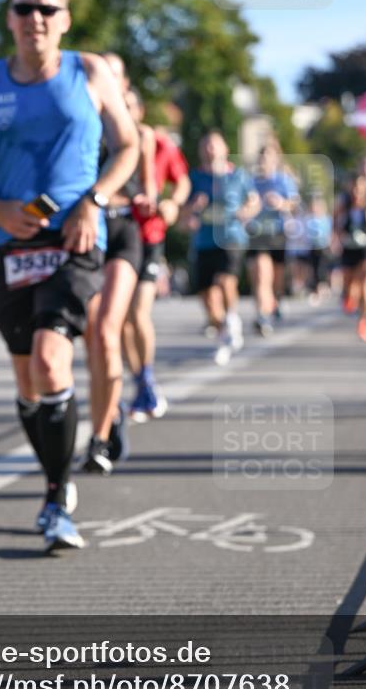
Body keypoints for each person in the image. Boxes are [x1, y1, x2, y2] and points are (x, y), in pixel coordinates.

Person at [0, 0, 138, 550]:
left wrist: (94, 201)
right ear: (9, 17)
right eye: (25, 8)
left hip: (75, 242)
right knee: (29, 382)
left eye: (47, 10)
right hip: (11, 245)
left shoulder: (91, 72)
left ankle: (56, 497)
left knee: (54, 362)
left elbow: (129, 145)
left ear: (65, 20)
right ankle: (57, 469)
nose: (36, 19)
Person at [82, 77, 153, 474]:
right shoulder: (82, 130)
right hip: (88, 234)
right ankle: (112, 408)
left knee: (109, 329)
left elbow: (151, 192)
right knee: (92, 337)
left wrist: (155, 202)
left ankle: (100, 435)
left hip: (124, 233)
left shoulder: (138, 138)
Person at [123, 112, 191, 422]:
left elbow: (182, 182)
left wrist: (173, 203)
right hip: (115, 238)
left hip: (148, 236)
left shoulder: (161, 144)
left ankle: (147, 378)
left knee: (138, 312)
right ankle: (139, 381)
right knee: (120, 321)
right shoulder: (104, 139)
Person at [182, 131, 259, 366]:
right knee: (206, 294)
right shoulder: (194, 177)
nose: (209, 149)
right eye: (205, 145)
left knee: (226, 280)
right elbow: (182, 212)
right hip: (204, 240)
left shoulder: (238, 175)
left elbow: (254, 200)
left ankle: (232, 318)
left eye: (214, 145)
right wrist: (191, 210)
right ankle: (223, 328)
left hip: (231, 237)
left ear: (225, 149)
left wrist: (246, 211)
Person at [245, 139, 300, 336]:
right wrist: (250, 208)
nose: (264, 160)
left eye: (268, 156)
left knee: (275, 278)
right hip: (256, 233)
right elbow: (244, 204)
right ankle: (262, 316)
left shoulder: (283, 180)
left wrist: (280, 203)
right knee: (260, 274)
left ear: (276, 159)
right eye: (262, 156)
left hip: (277, 233)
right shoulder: (251, 181)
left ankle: (276, 299)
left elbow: (294, 204)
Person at [333, 173, 366, 342]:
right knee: (351, 285)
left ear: (365, 189)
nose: (357, 192)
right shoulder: (344, 205)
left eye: (361, 188)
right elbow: (335, 225)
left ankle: (365, 319)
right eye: (354, 188)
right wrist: (336, 238)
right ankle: (350, 298)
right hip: (349, 249)